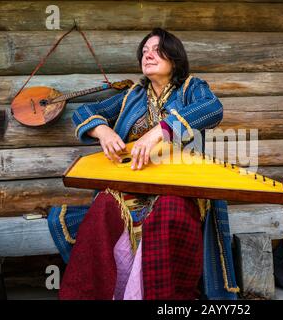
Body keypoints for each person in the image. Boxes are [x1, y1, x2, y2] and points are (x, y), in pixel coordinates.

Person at [57, 28, 239, 300]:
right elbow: (85, 111)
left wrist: (160, 131)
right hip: (131, 187)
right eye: (144, 52)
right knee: (103, 208)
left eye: (156, 50)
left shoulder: (191, 88)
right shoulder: (133, 96)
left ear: (174, 58)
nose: (148, 55)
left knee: (168, 210)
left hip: (180, 188)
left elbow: (213, 108)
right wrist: (102, 131)